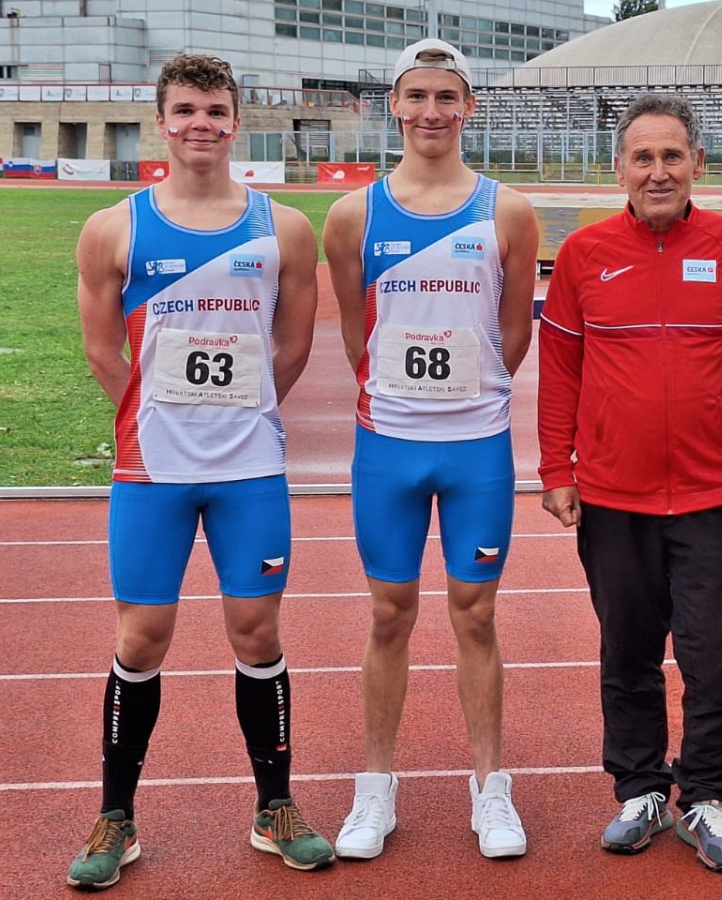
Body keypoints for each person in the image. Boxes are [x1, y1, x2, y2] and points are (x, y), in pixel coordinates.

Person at [67, 54, 330, 889]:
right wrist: (159, 415)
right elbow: (103, 350)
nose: (201, 124)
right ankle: (116, 817)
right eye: (185, 110)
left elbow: (292, 347)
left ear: (236, 120)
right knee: (140, 639)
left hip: (249, 467)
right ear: (161, 122)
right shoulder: (114, 228)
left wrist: (235, 413)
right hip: (152, 470)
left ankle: (274, 808)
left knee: (258, 634)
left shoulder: (283, 228)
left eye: (216, 109)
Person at [537, 93, 722, 873]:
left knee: (717, 655)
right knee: (628, 653)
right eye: (642, 157)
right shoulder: (583, 254)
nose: (657, 171)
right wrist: (556, 468)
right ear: (619, 168)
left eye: (671, 155)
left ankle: (706, 796)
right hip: (612, 497)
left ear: (697, 165)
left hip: (712, 496)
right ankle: (641, 789)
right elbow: (560, 370)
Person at [321, 38, 539, 861]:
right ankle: (375, 788)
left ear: (468, 108)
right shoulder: (353, 216)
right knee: (389, 615)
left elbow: (514, 332)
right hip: (389, 449)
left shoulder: (507, 211)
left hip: (478, 444)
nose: (431, 112)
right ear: (395, 107)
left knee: (475, 614)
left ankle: (491, 788)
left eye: (447, 97)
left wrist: (470, 390)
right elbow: (355, 333)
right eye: (416, 96)